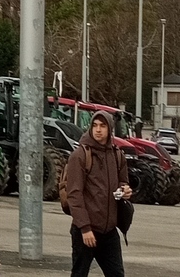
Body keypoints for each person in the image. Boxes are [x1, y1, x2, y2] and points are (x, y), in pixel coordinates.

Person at [60, 111, 130, 277]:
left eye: (103, 126)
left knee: (117, 274)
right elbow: (74, 194)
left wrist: (125, 191)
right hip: (86, 230)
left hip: (109, 232)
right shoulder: (80, 156)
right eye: (95, 125)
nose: (98, 130)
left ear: (110, 129)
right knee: (79, 274)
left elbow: (123, 182)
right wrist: (85, 228)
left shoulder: (117, 155)